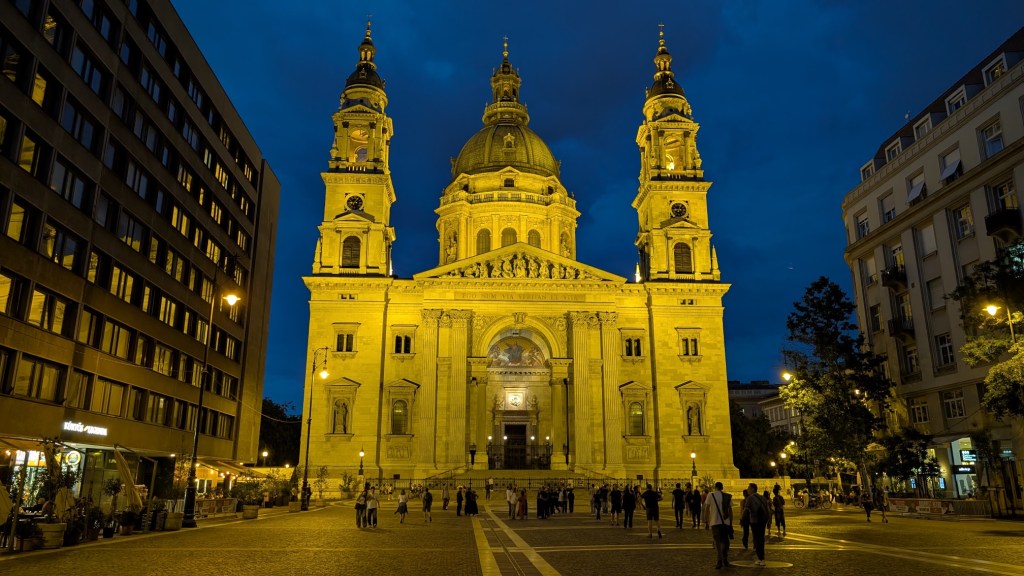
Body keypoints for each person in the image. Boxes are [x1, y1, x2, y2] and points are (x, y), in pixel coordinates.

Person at [703, 481, 733, 569]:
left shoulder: (710, 495)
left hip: (714, 522)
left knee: (718, 542)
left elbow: (707, 509)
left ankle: (719, 560)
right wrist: (730, 522)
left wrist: (706, 521)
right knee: (725, 542)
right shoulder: (727, 496)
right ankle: (725, 559)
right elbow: (730, 510)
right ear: (722, 487)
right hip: (725, 522)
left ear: (715, 487)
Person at [745, 483, 769, 567]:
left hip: (755, 521)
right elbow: (767, 509)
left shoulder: (750, 498)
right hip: (763, 520)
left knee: (757, 539)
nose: (747, 489)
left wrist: (742, 518)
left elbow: (746, 509)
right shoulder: (762, 497)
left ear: (752, 489)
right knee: (761, 539)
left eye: (748, 488)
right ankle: (760, 558)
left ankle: (761, 558)